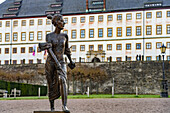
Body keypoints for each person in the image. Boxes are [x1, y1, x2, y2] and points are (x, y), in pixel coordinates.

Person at [45, 14, 75, 112]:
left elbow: (66, 50)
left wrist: (71, 61)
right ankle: (52, 107)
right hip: (51, 62)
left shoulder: (65, 36)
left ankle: (64, 106)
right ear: (56, 22)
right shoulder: (49, 36)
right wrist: (56, 62)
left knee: (63, 80)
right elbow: (49, 50)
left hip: (62, 61)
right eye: (61, 21)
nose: (64, 23)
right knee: (51, 83)